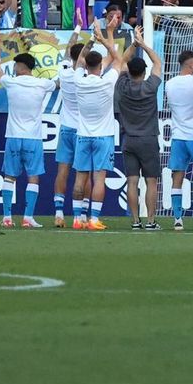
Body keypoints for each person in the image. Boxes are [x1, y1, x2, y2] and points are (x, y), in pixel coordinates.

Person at [0, 30, 55, 229]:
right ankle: (28, 217)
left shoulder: (10, 82)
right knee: (33, 176)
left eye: (16, 65)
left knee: (9, 176)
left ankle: (7, 217)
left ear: (20, 67)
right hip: (33, 138)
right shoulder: (43, 84)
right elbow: (60, 83)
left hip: (13, 136)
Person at [69, 27, 126, 233]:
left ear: (85, 64)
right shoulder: (107, 81)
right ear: (100, 66)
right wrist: (103, 38)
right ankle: (93, 219)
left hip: (83, 135)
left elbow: (78, 60)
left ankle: (77, 218)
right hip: (103, 136)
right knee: (99, 178)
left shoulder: (78, 80)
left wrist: (91, 41)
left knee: (80, 178)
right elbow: (118, 59)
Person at [115, 36, 165, 231]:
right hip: (148, 139)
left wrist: (134, 45)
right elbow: (158, 62)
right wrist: (143, 44)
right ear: (144, 72)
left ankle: (136, 221)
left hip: (129, 139)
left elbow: (122, 61)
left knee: (132, 181)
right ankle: (151, 221)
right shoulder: (150, 87)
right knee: (151, 182)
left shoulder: (122, 87)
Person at [163, 48, 193, 230]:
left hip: (178, 136)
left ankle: (177, 219)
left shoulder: (169, 84)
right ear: (192, 64)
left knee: (177, 177)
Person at [52, 42, 87, 228]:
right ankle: (80, 216)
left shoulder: (64, 73)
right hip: (82, 130)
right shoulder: (85, 78)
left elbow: (67, 53)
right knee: (84, 173)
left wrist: (78, 27)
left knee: (62, 171)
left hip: (65, 128)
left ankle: (59, 214)